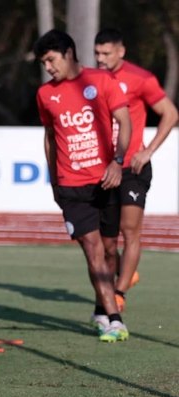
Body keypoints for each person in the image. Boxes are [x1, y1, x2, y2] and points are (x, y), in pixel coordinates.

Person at [34, 29, 131, 342]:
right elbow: (49, 138)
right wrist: (53, 179)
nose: (48, 67)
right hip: (71, 186)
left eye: (51, 60)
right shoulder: (45, 94)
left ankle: (101, 305)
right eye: (44, 62)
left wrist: (117, 161)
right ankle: (114, 319)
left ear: (69, 53)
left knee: (109, 249)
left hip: (107, 179)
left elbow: (124, 122)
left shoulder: (101, 81)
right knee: (92, 250)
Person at [94, 28, 179, 311]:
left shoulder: (141, 79)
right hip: (103, 171)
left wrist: (148, 150)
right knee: (106, 244)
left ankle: (119, 294)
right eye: (97, 53)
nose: (100, 59)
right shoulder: (91, 80)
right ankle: (126, 273)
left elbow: (171, 113)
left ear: (121, 51)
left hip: (133, 167)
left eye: (106, 53)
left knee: (130, 230)